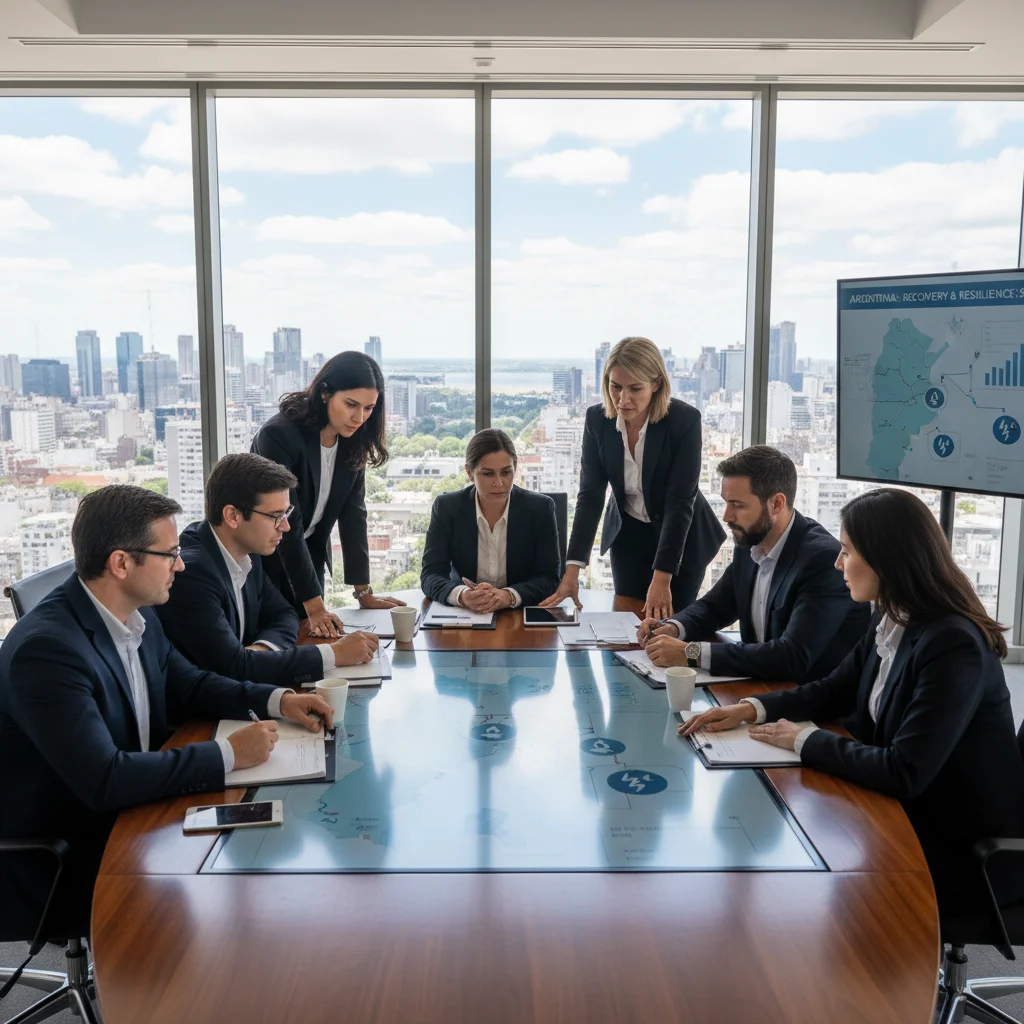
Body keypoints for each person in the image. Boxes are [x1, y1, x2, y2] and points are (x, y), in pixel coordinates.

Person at [0, 486, 333, 936]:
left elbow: (190, 684)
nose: (181, 564)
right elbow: (105, 779)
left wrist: (277, 700)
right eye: (170, 554)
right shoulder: (48, 652)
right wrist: (228, 755)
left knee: (272, 856)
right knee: (248, 910)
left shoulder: (136, 612)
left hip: (137, 809)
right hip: (71, 848)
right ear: (121, 563)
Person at [680, 488, 1024, 920]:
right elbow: (831, 690)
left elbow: (904, 771)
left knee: (808, 898)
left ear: (886, 559)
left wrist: (804, 738)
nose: (837, 563)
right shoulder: (892, 615)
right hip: (905, 817)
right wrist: (752, 709)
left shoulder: (953, 644)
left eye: (846, 551)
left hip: (960, 847)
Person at [637, 446, 870, 681]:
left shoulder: (822, 560)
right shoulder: (750, 540)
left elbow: (792, 657)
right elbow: (715, 607)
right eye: (726, 503)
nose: (727, 516)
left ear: (776, 504)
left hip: (812, 706)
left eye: (738, 505)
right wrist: (674, 627)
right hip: (760, 689)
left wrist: (690, 653)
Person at [540, 337, 725, 620]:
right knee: (625, 622)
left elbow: (679, 502)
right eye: (615, 386)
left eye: (635, 388)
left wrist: (662, 579)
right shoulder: (597, 420)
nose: (623, 399)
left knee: (670, 627)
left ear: (656, 384)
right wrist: (572, 571)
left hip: (682, 539)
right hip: (629, 534)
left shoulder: (684, 421)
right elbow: (590, 496)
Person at [157, 453, 379, 688]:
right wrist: (332, 655)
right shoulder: (192, 574)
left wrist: (261, 651)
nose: (286, 526)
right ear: (233, 516)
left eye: (286, 514)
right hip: (198, 719)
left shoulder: (247, 550)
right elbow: (233, 669)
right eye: (275, 516)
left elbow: (284, 614)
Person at [251, 350, 405, 642]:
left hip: (308, 557)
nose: (359, 417)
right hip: (263, 562)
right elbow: (287, 522)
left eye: (369, 408)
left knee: (314, 644)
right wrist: (316, 606)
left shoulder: (352, 440)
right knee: (276, 644)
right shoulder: (279, 436)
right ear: (325, 394)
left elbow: (353, 515)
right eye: (351, 404)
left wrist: (363, 592)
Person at [420, 429, 561, 611]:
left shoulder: (540, 508)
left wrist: (508, 596)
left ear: (515, 468)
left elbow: (550, 578)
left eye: (506, 472)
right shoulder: (447, 507)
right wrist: (462, 595)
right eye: (488, 474)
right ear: (470, 473)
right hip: (466, 615)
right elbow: (430, 574)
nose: (499, 483)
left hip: (519, 616)